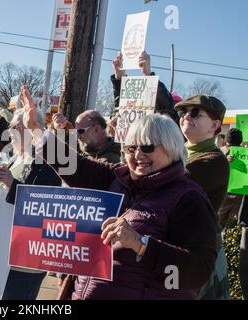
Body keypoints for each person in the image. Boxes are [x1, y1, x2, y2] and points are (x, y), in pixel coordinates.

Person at [22, 85, 217, 299]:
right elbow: (74, 166)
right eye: (131, 148)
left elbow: (199, 271)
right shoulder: (119, 177)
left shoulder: (188, 197)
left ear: (171, 147)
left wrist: (141, 244)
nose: (138, 155)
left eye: (148, 147)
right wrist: (35, 130)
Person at [0, 109, 62, 300]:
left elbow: (43, 206)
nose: (10, 131)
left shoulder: (46, 162)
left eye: (15, 126)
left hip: (25, 262)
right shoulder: (16, 158)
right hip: (4, 253)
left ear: (32, 129)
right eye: (10, 126)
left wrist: (12, 184)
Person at [174, 95, 230, 300]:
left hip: (197, 253)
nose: (186, 116)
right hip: (179, 248)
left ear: (215, 125)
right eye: (183, 112)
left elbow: (169, 183)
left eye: (195, 112)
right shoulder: (177, 153)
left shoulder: (214, 161)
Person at [52, 110, 121, 163]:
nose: (78, 136)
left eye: (80, 131)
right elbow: (63, 148)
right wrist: (59, 127)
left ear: (96, 129)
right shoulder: (87, 146)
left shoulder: (109, 160)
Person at [218, 128, 244, 228]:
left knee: (225, 227)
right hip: (230, 195)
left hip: (232, 195)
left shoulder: (220, 151)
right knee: (230, 227)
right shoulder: (220, 152)